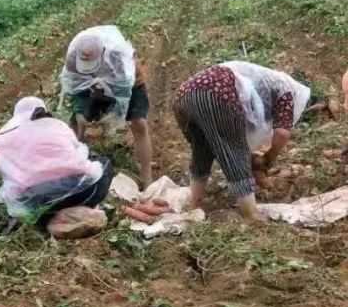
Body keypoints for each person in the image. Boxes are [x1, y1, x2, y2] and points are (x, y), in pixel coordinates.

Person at [173, 61, 310, 221]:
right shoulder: (287, 91)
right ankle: (250, 214)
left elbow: (245, 126)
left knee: (202, 149)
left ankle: (195, 203)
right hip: (215, 91)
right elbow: (282, 134)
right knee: (234, 152)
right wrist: (269, 158)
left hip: (183, 95)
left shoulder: (262, 82)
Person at [0, 97, 114, 226]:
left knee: (34, 212)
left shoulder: (3, 136)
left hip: (33, 205)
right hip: (83, 192)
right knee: (104, 163)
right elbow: (80, 153)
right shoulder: (57, 125)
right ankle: (90, 210)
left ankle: (49, 223)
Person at [60, 25, 153, 187]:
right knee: (77, 122)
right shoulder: (72, 59)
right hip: (90, 86)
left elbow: (123, 94)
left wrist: (115, 115)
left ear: (103, 53)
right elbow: (74, 87)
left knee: (139, 124)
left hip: (128, 84)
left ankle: (147, 178)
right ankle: (74, 169)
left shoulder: (118, 58)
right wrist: (80, 111)